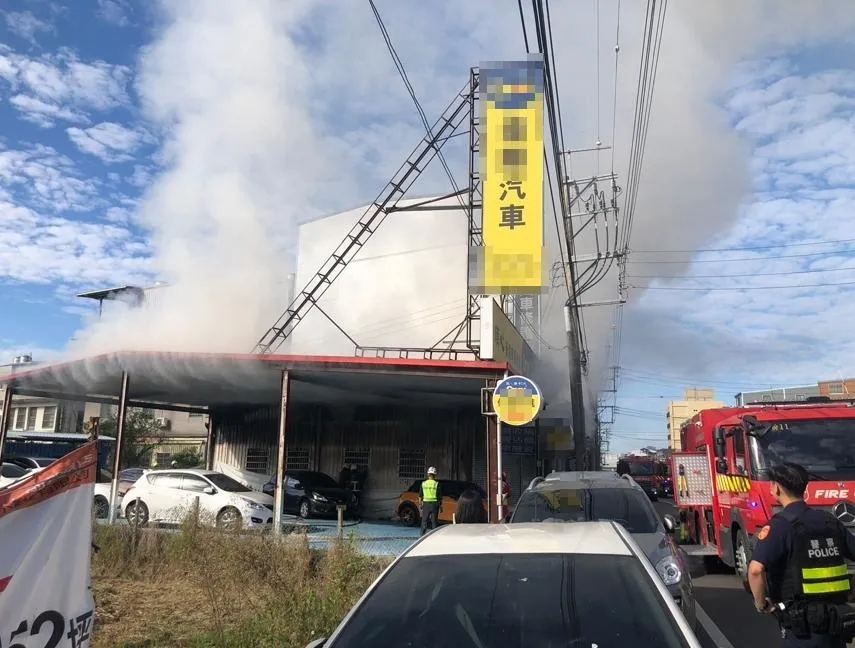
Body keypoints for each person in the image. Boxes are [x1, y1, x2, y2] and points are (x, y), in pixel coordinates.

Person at [748, 462, 855, 647]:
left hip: (802, 628)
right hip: (836, 621)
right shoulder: (829, 521)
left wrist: (761, 604)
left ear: (777, 488)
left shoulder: (780, 526)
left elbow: (755, 570)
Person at [419, 466, 442, 536]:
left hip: (426, 504)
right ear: (435, 475)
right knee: (434, 522)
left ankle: (422, 536)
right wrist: (441, 506)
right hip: (435, 504)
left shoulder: (423, 483)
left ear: (428, 474)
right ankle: (434, 536)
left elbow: (420, 496)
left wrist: (420, 505)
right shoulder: (437, 484)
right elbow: (439, 497)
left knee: (424, 521)